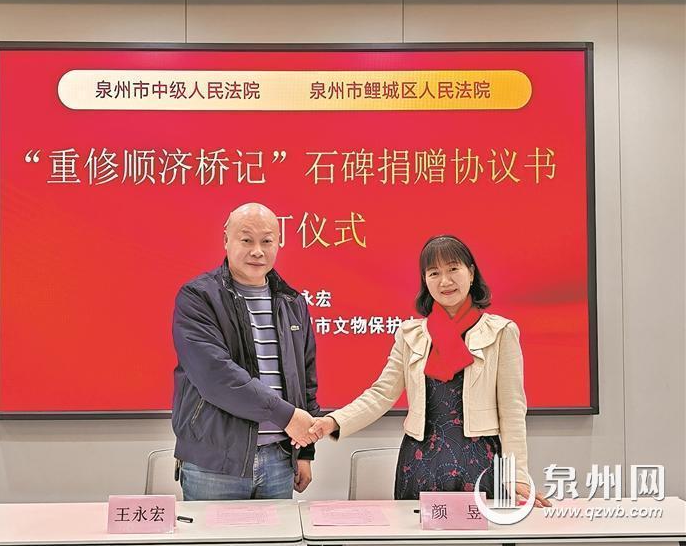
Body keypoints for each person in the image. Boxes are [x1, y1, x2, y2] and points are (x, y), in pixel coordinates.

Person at [309, 235, 550, 506]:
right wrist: (333, 422)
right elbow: (381, 394)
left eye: (453, 269)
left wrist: (517, 476)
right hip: (420, 464)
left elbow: (512, 410)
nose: (445, 281)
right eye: (434, 273)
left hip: (479, 463)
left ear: (471, 273)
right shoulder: (410, 334)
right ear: (425, 280)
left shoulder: (500, 332)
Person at [171, 203, 320, 500]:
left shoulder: (292, 302)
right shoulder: (199, 296)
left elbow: (306, 379)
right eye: (247, 240)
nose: (257, 251)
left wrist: (305, 451)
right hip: (215, 463)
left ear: (279, 243)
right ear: (226, 240)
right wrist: (288, 417)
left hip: (279, 461)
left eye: (267, 241)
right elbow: (217, 376)